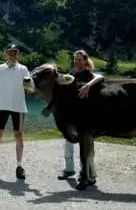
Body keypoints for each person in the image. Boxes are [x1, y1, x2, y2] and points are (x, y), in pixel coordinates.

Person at [41, 49, 104, 180]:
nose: (76, 61)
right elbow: (58, 91)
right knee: (68, 142)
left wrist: (88, 85)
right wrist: (49, 106)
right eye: (75, 59)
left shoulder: (88, 74)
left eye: (79, 59)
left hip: (84, 116)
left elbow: (100, 77)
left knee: (86, 146)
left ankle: (87, 174)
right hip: (70, 115)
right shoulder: (71, 73)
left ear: (85, 61)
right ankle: (69, 169)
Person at [0, 44, 31, 180]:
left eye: (14, 53)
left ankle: (19, 166)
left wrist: (29, 85)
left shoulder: (23, 69)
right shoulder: (0, 68)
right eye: (10, 52)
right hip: (3, 106)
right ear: (6, 54)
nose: (12, 55)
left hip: (19, 107)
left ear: (17, 54)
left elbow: (28, 86)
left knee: (18, 136)